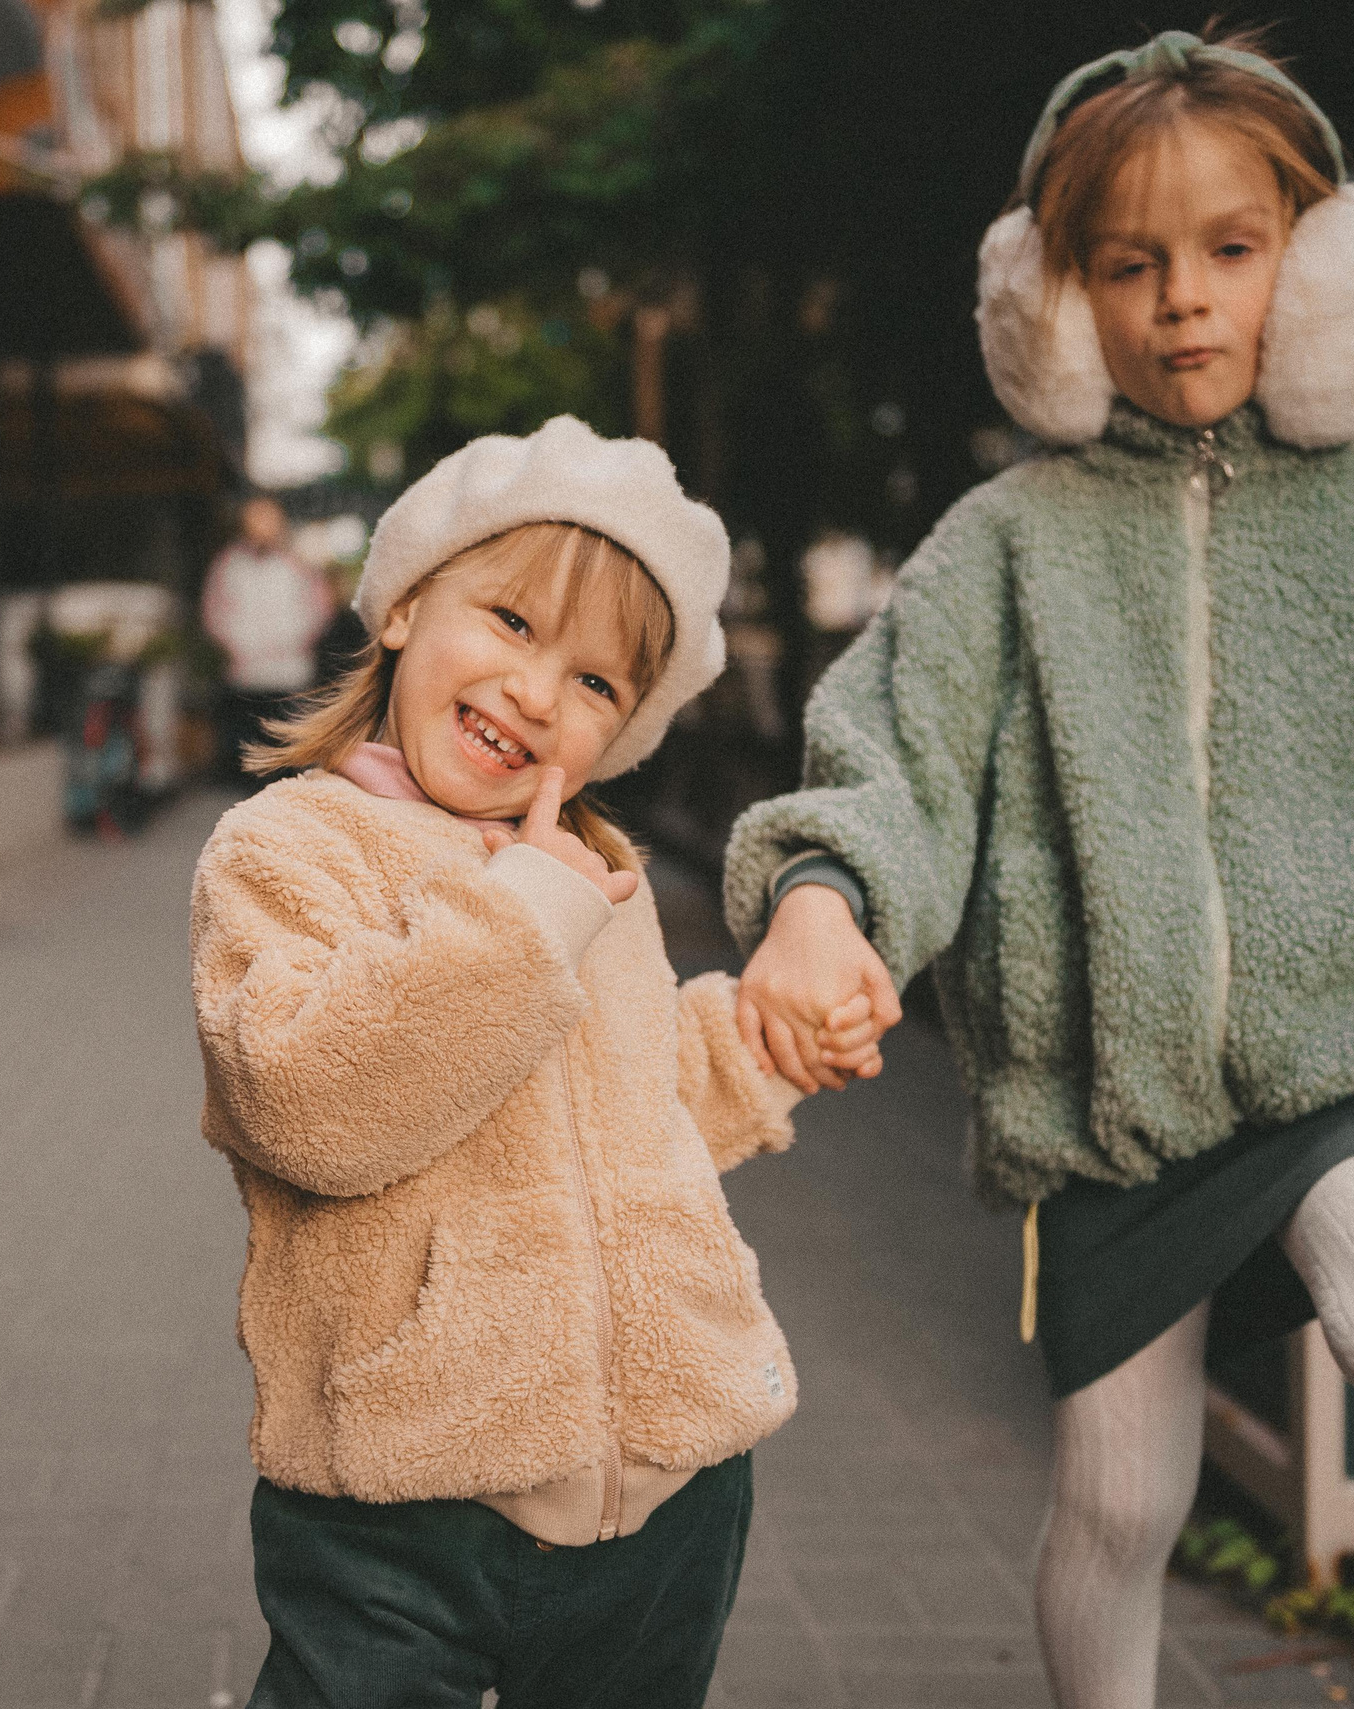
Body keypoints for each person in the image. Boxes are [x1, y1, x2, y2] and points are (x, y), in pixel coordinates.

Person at [721, 31, 1354, 1709]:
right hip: (1120, 1115)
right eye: (1132, 263)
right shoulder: (1003, 546)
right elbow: (888, 762)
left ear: (1317, 273)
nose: (1185, 299)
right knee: (1121, 1497)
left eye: (1232, 251)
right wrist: (823, 901)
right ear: (1056, 304)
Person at [191, 418, 820, 1707]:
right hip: (399, 1505)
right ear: (411, 603)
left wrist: (760, 1037)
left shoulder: (597, 882)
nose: (540, 692)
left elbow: (629, 1109)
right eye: (516, 624)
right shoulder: (290, 848)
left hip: (665, 1494)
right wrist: (527, 908)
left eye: (596, 683)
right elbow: (307, 1097)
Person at [201, 494, 337, 777]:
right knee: (246, 745)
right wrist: (236, 646)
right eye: (256, 517)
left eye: (268, 518)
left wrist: (293, 642)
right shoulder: (228, 563)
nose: (262, 525)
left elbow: (320, 609)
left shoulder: (298, 563)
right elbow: (213, 611)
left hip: (289, 673)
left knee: (285, 747)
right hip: (244, 674)